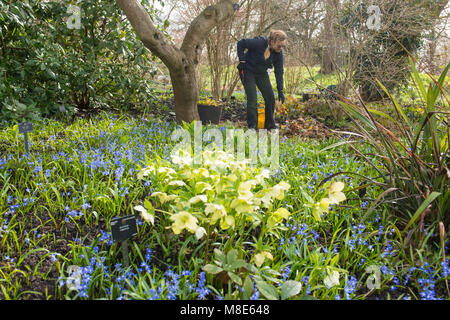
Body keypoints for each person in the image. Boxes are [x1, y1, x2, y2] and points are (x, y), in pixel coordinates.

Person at [237, 30, 287, 130]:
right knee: (252, 100)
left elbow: (279, 72)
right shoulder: (259, 42)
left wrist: (280, 90)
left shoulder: (278, 54)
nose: (281, 48)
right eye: (279, 46)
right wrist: (242, 60)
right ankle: (252, 126)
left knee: (270, 98)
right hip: (248, 71)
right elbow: (240, 43)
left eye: (283, 46)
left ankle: (269, 125)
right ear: (272, 41)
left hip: (261, 74)